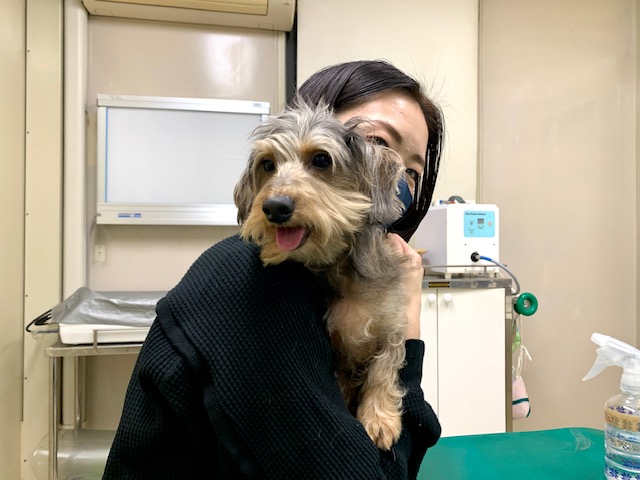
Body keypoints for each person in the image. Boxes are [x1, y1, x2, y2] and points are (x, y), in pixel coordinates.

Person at [103, 60, 444, 479]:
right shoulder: (250, 282)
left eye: (411, 171)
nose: (390, 174)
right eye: (375, 142)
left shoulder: (352, 274)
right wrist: (411, 325)